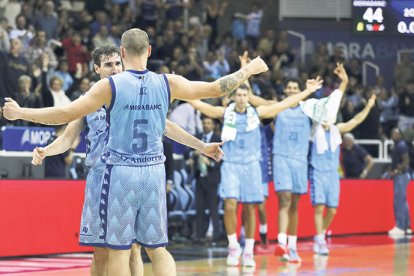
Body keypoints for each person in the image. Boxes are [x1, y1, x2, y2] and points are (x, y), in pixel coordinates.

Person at [4, 28, 268, 276]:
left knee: (120, 250)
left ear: (122, 52)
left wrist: (21, 113)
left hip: (120, 172)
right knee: (157, 248)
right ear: (150, 50)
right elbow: (216, 88)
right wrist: (248, 70)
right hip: (153, 171)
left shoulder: (110, 88)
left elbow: (63, 113)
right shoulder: (166, 83)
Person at [30, 44, 228, 276]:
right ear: (96, 69)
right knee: (102, 252)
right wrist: (47, 150)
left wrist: (201, 146)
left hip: (128, 174)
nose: (114, 69)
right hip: (99, 176)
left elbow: (166, 127)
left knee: (133, 248)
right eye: (108, 65)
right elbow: (67, 139)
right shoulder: (87, 100)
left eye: (117, 63)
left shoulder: (134, 92)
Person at [189, 76, 322, 267]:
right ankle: (233, 246)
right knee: (229, 205)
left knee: (250, 208)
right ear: (234, 97)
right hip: (231, 164)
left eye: (245, 94)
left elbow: (286, 103)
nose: (242, 98)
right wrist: (179, 90)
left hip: (252, 165)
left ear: (248, 96)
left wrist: (308, 91)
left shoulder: (258, 112)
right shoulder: (225, 113)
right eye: (239, 95)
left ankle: (249, 251)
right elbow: (201, 106)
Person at [249, 63, 347, 263]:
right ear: (285, 90)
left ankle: (292, 247)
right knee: (284, 199)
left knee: (294, 204)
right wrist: (246, 71)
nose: (292, 91)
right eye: (289, 88)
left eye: (295, 88)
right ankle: (282, 243)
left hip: (300, 161)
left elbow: (332, 104)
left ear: (300, 90)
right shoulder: (277, 107)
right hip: (282, 158)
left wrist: (344, 82)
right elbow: (250, 98)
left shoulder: (308, 109)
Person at [310, 94, 376, 256]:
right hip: (317, 172)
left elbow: (356, 120)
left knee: (332, 210)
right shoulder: (313, 130)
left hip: (333, 174)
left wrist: (368, 106)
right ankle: (320, 240)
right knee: (319, 207)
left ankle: (320, 234)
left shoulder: (336, 130)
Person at [193, 116, 222, 244]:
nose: (206, 125)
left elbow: (221, 159)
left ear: (213, 125)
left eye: (208, 123)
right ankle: (199, 235)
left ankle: (215, 235)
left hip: (212, 178)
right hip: (199, 177)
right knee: (199, 208)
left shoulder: (217, 139)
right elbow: (188, 152)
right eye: (204, 122)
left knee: (213, 208)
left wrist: (209, 163)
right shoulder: (197, 137)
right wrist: (191, 156)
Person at [388, 128, 412, 237]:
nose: (393, 135)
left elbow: (406, 160)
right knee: (403, 201)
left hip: (401, 176)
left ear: (400, 135)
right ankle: (407, 227)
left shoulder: (400, 145)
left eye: (396, 133)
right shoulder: (398, 145)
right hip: (402, 175)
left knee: (399, 202)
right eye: (392, 133)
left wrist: (397, 170)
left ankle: (400, 227)